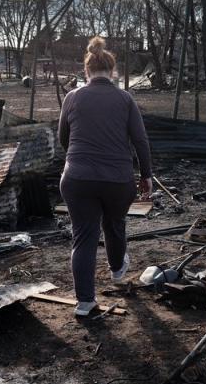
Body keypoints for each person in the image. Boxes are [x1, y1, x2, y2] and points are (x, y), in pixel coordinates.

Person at [58, 36, 152, 316]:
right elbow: (141, 141)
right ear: (112, 72)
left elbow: (64, 138)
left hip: (77, 179)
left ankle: (85, 302)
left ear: (86, 71)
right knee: (115, 223)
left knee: (84, 237)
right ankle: (116, 268)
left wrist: (77, 161)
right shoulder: (124, 98)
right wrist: (146, 175)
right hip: (118, 179)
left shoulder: (72, 97)